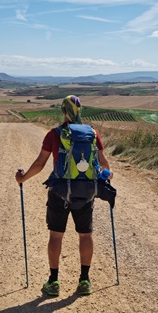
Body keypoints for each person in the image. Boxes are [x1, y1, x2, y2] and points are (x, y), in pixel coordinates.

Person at [15, 95, 111, 297]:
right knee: (85, 235)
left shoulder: (55, 134)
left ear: (64, 111)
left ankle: (53, 281)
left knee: (56, 235)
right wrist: (106, 177)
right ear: (80, 111)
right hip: (86, 193)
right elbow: (104, 165)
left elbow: (40, 163)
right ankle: (84, 281)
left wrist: (23, 178)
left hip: (59, 192)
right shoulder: (92, 133)